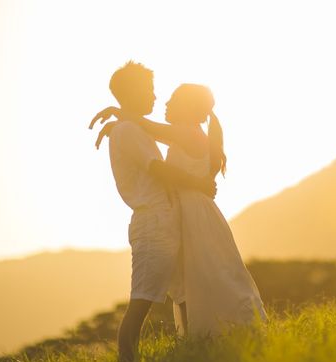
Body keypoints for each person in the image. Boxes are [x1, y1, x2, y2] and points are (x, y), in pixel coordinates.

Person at [93, 83, 267, 337]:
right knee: (200, 276)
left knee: (209, 272)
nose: (165, 103)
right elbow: (146, 131)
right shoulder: (187, 133)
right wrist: (120, 126)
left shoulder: (186, 133)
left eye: (172, 100)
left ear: (187, 106)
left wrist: (117, 112)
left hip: (194, 212)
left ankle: (223, 331)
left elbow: (148, 128)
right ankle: (204, 337)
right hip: (192, 210)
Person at [89, 61, 216, 362]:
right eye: (149, 90)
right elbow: (158, 169)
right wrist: (198, 183)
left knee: (184, 295)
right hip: (152, 224)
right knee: (142, 300)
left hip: (166, 220)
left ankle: (193, 353)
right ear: (132, 92)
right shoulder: (128, 131)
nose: (155, 97)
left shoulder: (132, 128)